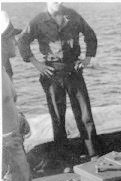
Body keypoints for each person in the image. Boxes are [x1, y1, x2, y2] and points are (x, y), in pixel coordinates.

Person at [17, 2, 102, 167]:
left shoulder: (72, 15)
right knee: (57, 118)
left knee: (85, 115)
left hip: (73, 71)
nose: (59, 1)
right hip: (52, 74)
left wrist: (88, 58)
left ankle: (93, 155)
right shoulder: (38, 20)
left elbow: (90, 35)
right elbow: (22, 41)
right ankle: (64, 161)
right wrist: (36, 63)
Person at [1, 11, 37, 181]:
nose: (15, 40)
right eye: (10, 36)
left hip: (11, 143)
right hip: (6, 149)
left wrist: (18, 117)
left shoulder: (2, 67)